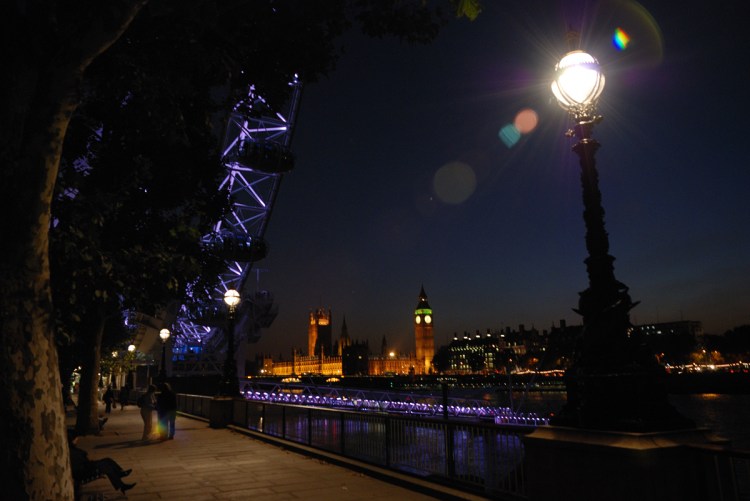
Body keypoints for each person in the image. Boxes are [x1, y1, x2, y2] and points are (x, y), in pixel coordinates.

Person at [68, 430, 136, 494]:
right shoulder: (72, 452)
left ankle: (120, 474)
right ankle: (122, 484)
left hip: (86, 467)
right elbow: (80, 465)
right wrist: (91, 463)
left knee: (107, 460)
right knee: (106, 467)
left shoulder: (72, 449)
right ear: (72, 440)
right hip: (83, 472)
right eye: (75, 439)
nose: (77, 440)